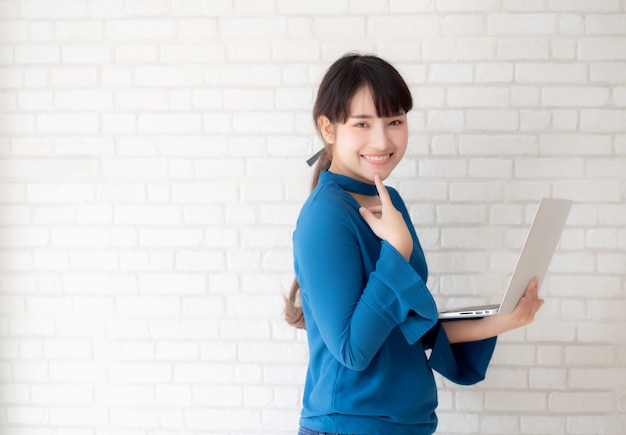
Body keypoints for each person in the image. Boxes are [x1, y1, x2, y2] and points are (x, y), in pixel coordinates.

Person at [285, 53, 544, 435]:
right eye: (362, 123)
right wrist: (398, 250)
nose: (382, 139)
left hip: (408, 424)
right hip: (350, 426)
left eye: (394, 121)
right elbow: (353, 351)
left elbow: (408, 330)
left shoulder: (389, 201)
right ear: (328, 128)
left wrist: (504, 320)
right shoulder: (325, 217)